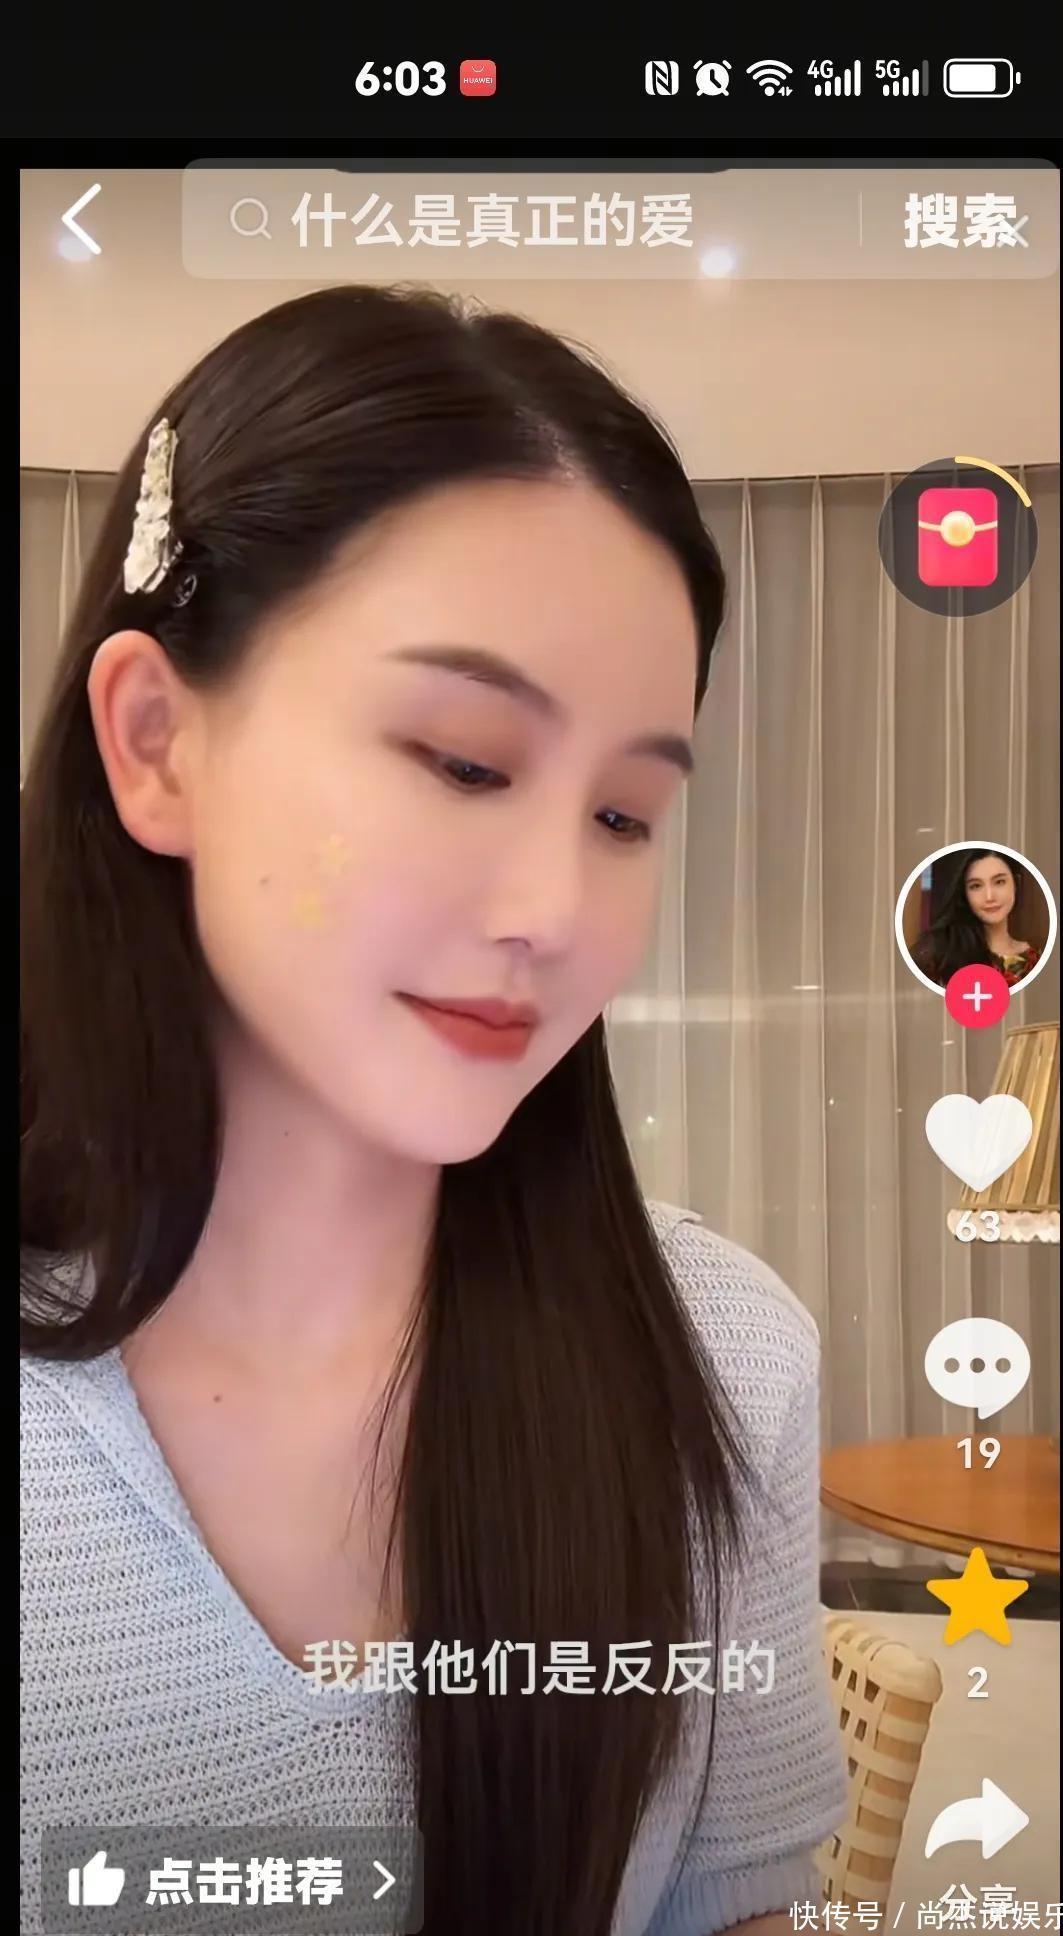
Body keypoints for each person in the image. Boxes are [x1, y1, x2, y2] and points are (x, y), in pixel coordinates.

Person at [21, 284, 847, 1936]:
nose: (554, 908)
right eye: (467, 761)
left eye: (625, 814)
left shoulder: (722, 1360)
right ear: (157, 740)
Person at [910, 847, 1041, 988]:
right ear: (964, 893)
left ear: (1016, 883)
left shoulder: (1034, 960)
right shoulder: (936, 954)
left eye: (999, 882)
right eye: (976, 886)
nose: (989, 897)